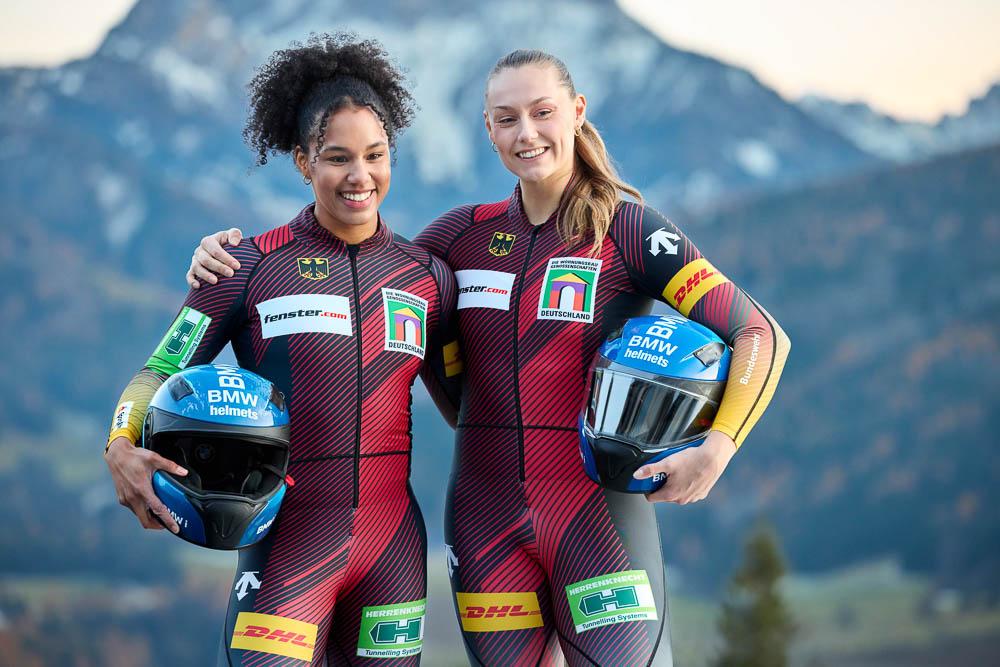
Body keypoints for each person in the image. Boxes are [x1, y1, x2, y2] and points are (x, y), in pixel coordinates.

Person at [188, 49, 790, 666]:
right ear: (488, 129)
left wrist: (718, 447)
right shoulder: (454, 238)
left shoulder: (629, 231)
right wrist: (224, 260)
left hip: (598, 522)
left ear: (577, 114)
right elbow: (367, 280)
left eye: (543, 112)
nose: (526, 133)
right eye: (507, 118)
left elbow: (759, 333)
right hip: (484, 524)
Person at [106, 34, 461, 666]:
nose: (360, 176)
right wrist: (120, 446)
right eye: (337, 157)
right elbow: (158, 369)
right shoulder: (243, 265)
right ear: (302, 161)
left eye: (375, 155)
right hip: (286, 545)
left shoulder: (428, 276)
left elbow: (477, 396)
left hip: (394, 552)